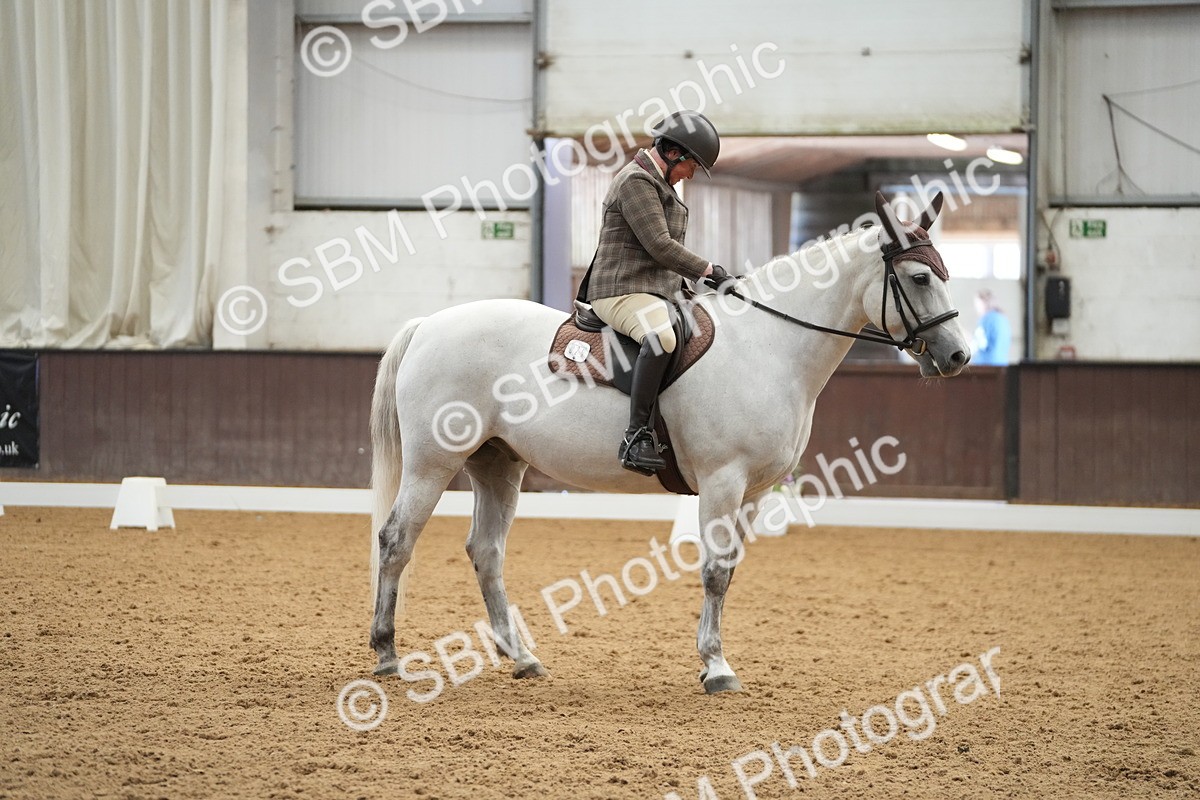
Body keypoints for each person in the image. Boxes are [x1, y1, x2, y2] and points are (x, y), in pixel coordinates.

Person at [581, 110, 737, 475]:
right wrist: (709, 271)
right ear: (672, 153)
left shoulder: (660, 183)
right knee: (661, 337)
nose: (691, 174)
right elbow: (659, 246)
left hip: (655, 291)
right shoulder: (636, 181)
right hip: (620, 290)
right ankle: (636, 436)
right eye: (691, 166)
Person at [973, 289, 1011, 366]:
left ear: (983, 303)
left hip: (986, 365)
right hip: (1002, 364)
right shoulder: (1003, 318)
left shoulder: (986, 319)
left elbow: (981, 344)